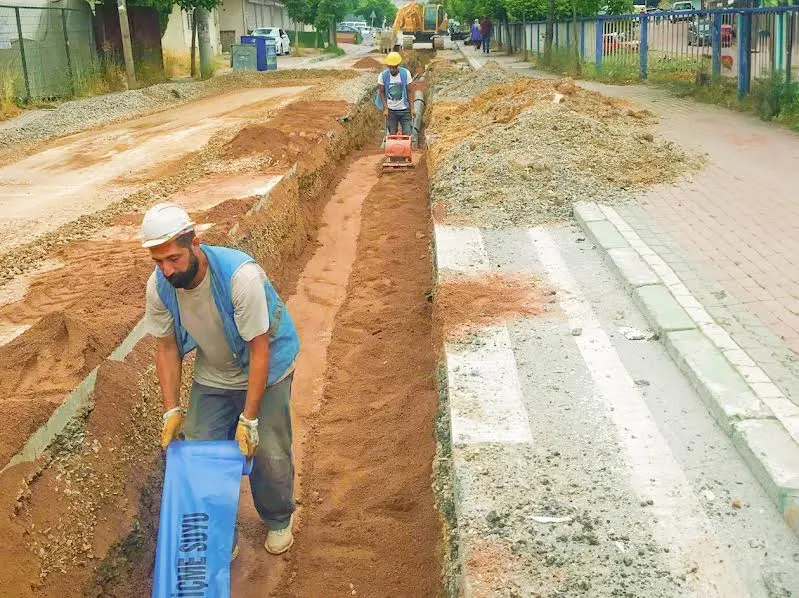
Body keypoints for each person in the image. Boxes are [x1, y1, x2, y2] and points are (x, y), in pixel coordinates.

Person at [141, 202, 300, 559]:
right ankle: (221, 533)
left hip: (267, 368)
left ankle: (277, 518)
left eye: (173, 259)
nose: (166, 270)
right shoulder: (160, 287)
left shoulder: (237, 277)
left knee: (267, 451)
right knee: (201, 454)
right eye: (158, 262)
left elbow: (259, 350)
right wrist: (171, 409)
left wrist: (249, 419)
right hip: (214, 371)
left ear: (194, 244)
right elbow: (166, 347)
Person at [377, 51, 415, 136]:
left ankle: (406, 149)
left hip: (405, 110)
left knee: (407, 134)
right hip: (391, 111)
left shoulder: (405, 73)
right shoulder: (383, 76)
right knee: (392, 134)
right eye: (390, 67)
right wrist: (386, 108)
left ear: (398, 66)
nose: (392, 70)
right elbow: (381, 92)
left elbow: (410, 91)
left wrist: (412, 108)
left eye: (394, 67)